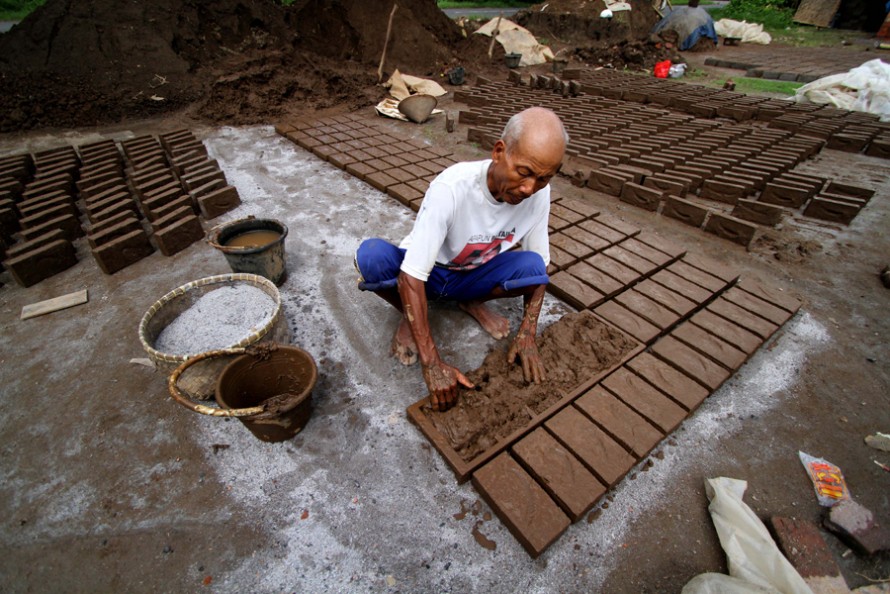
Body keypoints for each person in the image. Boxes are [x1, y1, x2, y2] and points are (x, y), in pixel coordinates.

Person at [355, 106, 568, 411]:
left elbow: (540, 265)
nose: (529, 188)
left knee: (532, 267)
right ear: (499, 151)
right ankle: (410, 311)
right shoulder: (452, 188)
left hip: (472, 276)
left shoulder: (537, 195)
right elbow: (412, 276)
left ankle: (469, 301)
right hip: (429, 277)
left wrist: (528, 334)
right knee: (371, 258)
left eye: (543, 179)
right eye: (524, 173)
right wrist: (433, 364)